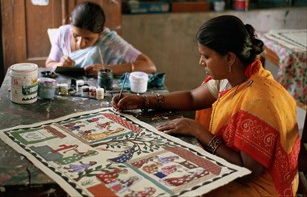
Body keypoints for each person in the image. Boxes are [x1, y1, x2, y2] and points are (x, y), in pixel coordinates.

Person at [112, 15, 300, 197]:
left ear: (229, 58)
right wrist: (144, 101)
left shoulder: (257, 101)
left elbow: (247, 173)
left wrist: (198, 131)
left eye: (206, 56)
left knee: (178, 185)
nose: (201, 62)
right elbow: (193, 98)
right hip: (240, 171)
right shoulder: (232, 78)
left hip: (261, 188)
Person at [45, 1, 157, 76]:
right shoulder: (63, 33)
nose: (80, 44)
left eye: (88, 39)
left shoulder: (109, 40)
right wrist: (60, 65)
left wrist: (106, 69)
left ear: (101, 32)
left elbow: (149, 66)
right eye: (76, 36)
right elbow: (49, 64)